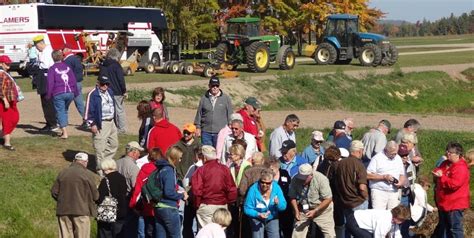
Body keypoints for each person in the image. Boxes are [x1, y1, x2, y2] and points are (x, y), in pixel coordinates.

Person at [51, 152, 99, 238]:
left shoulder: (62, 172)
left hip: (63, 211)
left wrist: (63, 200)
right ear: (85, 162)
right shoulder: (88, 174)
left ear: (74, 161)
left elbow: (54, 192)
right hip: (82, 211)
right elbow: (95, 195)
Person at [191, 145, 237, 229]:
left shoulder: (201, 170)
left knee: (206, 233)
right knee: (220, 233)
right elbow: (231, 189)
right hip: (221, 205)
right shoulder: (225, 169)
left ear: (204, 157)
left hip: (206, 205)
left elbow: (197, 191)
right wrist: (228, 202)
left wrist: (197, 205)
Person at [433, 142, 470, 238]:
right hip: (444, 202)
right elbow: (438, 169)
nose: (447, 154)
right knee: (444, 227)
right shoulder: (446, 163)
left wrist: (442, 177)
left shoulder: (461, 167)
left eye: (450, 153)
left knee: (455, 229)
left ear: (458, 154)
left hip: (454, 204)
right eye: (447, 152)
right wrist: (438, 173)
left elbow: (454, 184)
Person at [289, 163, 335, 238]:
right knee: (297, 232)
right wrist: (296, 210)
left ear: (311, 175)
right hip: (304, 208)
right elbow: (292, 196)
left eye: (304, 178)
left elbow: (328, 198)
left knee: (329, 233)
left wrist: (316, 210)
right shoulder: (295, 179)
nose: (301, 180)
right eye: (300, 177)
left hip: (322, 209)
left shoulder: (321, 179)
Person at [335, 140, 369, 238]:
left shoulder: (340, 164)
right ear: (359, 151)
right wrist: (366, 198)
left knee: (347, 228)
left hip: (345, 201)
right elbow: (362, 187)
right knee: (359, 229)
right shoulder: (359, 165)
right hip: (358, 202)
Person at [85, 75, 119, 172]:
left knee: (114, 144)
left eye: (107, 84)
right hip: (101, 123)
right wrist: (92, 124)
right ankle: (101, 170)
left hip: (111, 122)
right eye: (103, 84)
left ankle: (105, 163)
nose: (105, 86)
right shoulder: (93, 94)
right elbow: (88, 111)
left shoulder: (110, 92)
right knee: (100, 148)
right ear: (98, 83)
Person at [129, 148, 165, 237]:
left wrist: (133, 204)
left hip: (146, 205)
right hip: (160, 206)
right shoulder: (164, 170)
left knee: (144, 232)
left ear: (149, 157)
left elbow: (138, 188)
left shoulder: (144, 169)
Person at [154, 146, 188, 238]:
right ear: (175, 158)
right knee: (175, 236)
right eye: (180, 158)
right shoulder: (169, 170)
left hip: (158, 207)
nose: (180, 160)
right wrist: (181, 195)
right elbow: (168, 192)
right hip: (168, 208)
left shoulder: (161, 168)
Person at [244, 169, 287, 238]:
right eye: (262, 182)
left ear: (272, 182)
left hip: (272, 217)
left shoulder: (276, 188)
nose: (264, 185)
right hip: (257, 218)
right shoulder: (253, 189)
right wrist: (257, 214)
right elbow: (247, 208)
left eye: (268, 183)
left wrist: (278, 203)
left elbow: (283, 206)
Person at [46, 50, 79, 139]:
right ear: (61, 57)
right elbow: (73, 80)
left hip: (59, 92)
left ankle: (64, 132)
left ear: (52, 58)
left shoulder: (52, 69)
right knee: (64, 110)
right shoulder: (67, 67)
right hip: (70, 92)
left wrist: (49, 94)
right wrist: (75, 92)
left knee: (60, 111)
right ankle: (64, 126)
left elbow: (50, 83)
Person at [194, 76, 233, 147]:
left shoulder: (226, 98)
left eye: (217, 85)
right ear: (209, 86)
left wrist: (230, 127)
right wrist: (198, 127)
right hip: (206, 132)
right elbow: (199, 114)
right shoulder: (204, 98)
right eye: (213, 85)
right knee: (207, 153)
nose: (215, 87)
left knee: (219, 153)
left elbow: (230, 114)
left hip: (220, 132)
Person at [367, 141, 406, 210]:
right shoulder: (377, 158)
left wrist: (400, 182)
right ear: (386, 150)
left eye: (395, 153)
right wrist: (383, 177)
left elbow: (402, 174)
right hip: (379, 192)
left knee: (393, 214)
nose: (394, 156)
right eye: (392, 154)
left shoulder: (398, 158)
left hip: (394, 192)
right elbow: (368, 175)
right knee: (379, 215)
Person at [32, 35, 58, 132]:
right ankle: (49, 122)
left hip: (47, 78)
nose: (36, 48)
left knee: (48, 102)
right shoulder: (42, 52)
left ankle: (52, 123)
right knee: (45, 101)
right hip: (43, 77)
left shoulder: (47, 52)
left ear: (41, 43)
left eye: (36, 45)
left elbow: (46, 65)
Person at [96, 159, 128, 238]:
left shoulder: (105, 180)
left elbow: (100, 197)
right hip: (121, 211)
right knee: (119, 234)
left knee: (105, 233)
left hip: (108, 212)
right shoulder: (122, 178)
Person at [99, 48, 127, 133]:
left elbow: (100, 78)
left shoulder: (104, 65)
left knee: (109, 109)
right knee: (119, 110)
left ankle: (111, 126)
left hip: (106, 90)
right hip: (117, 91)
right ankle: (121, 128)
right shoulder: (116, 66)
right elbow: (121, 79)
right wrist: (124, 90)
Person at [345, 204, 411, 238]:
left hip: (356, 219)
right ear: (396, 216)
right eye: (402, 219)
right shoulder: (385, 220)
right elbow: (378, 236)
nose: (403, 222)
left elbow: (397, 234)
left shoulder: (393, 219)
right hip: (354, 221)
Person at [63, 44, 87, 128]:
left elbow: (66, 73)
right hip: (78, 82)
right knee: (79, 102)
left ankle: (62, 122)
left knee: (64, 104)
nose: (62, 51)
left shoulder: (68, 60)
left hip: (72, 84)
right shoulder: (76, 59)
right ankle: (87, 119)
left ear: (67, 50)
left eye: (63, 49)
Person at [183, 147, 204, 238]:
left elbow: (185, 182)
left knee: (189, 225)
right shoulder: (193, 167)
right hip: (196, 200)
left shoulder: (196, 167)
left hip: (196, 199)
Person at [268, 158, 293, 238]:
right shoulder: (267, 176)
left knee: (287, 228)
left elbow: (289, 184)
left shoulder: (284, 173)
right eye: (269, 169)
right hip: (272, 207)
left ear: (277, 167)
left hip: (285, 205)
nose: (270, 171)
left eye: (272, 169)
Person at [0, 55, 20, 151]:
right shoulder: (1, 73)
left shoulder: (5, 73)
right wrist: (4, 100)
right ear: (1, 63)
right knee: (8, 120)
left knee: (14, 118)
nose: (8, 66)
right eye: (6, 64)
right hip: (5, 102)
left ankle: (3, 135)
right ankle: (7, 143)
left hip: (10, 101)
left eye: (9, 64)